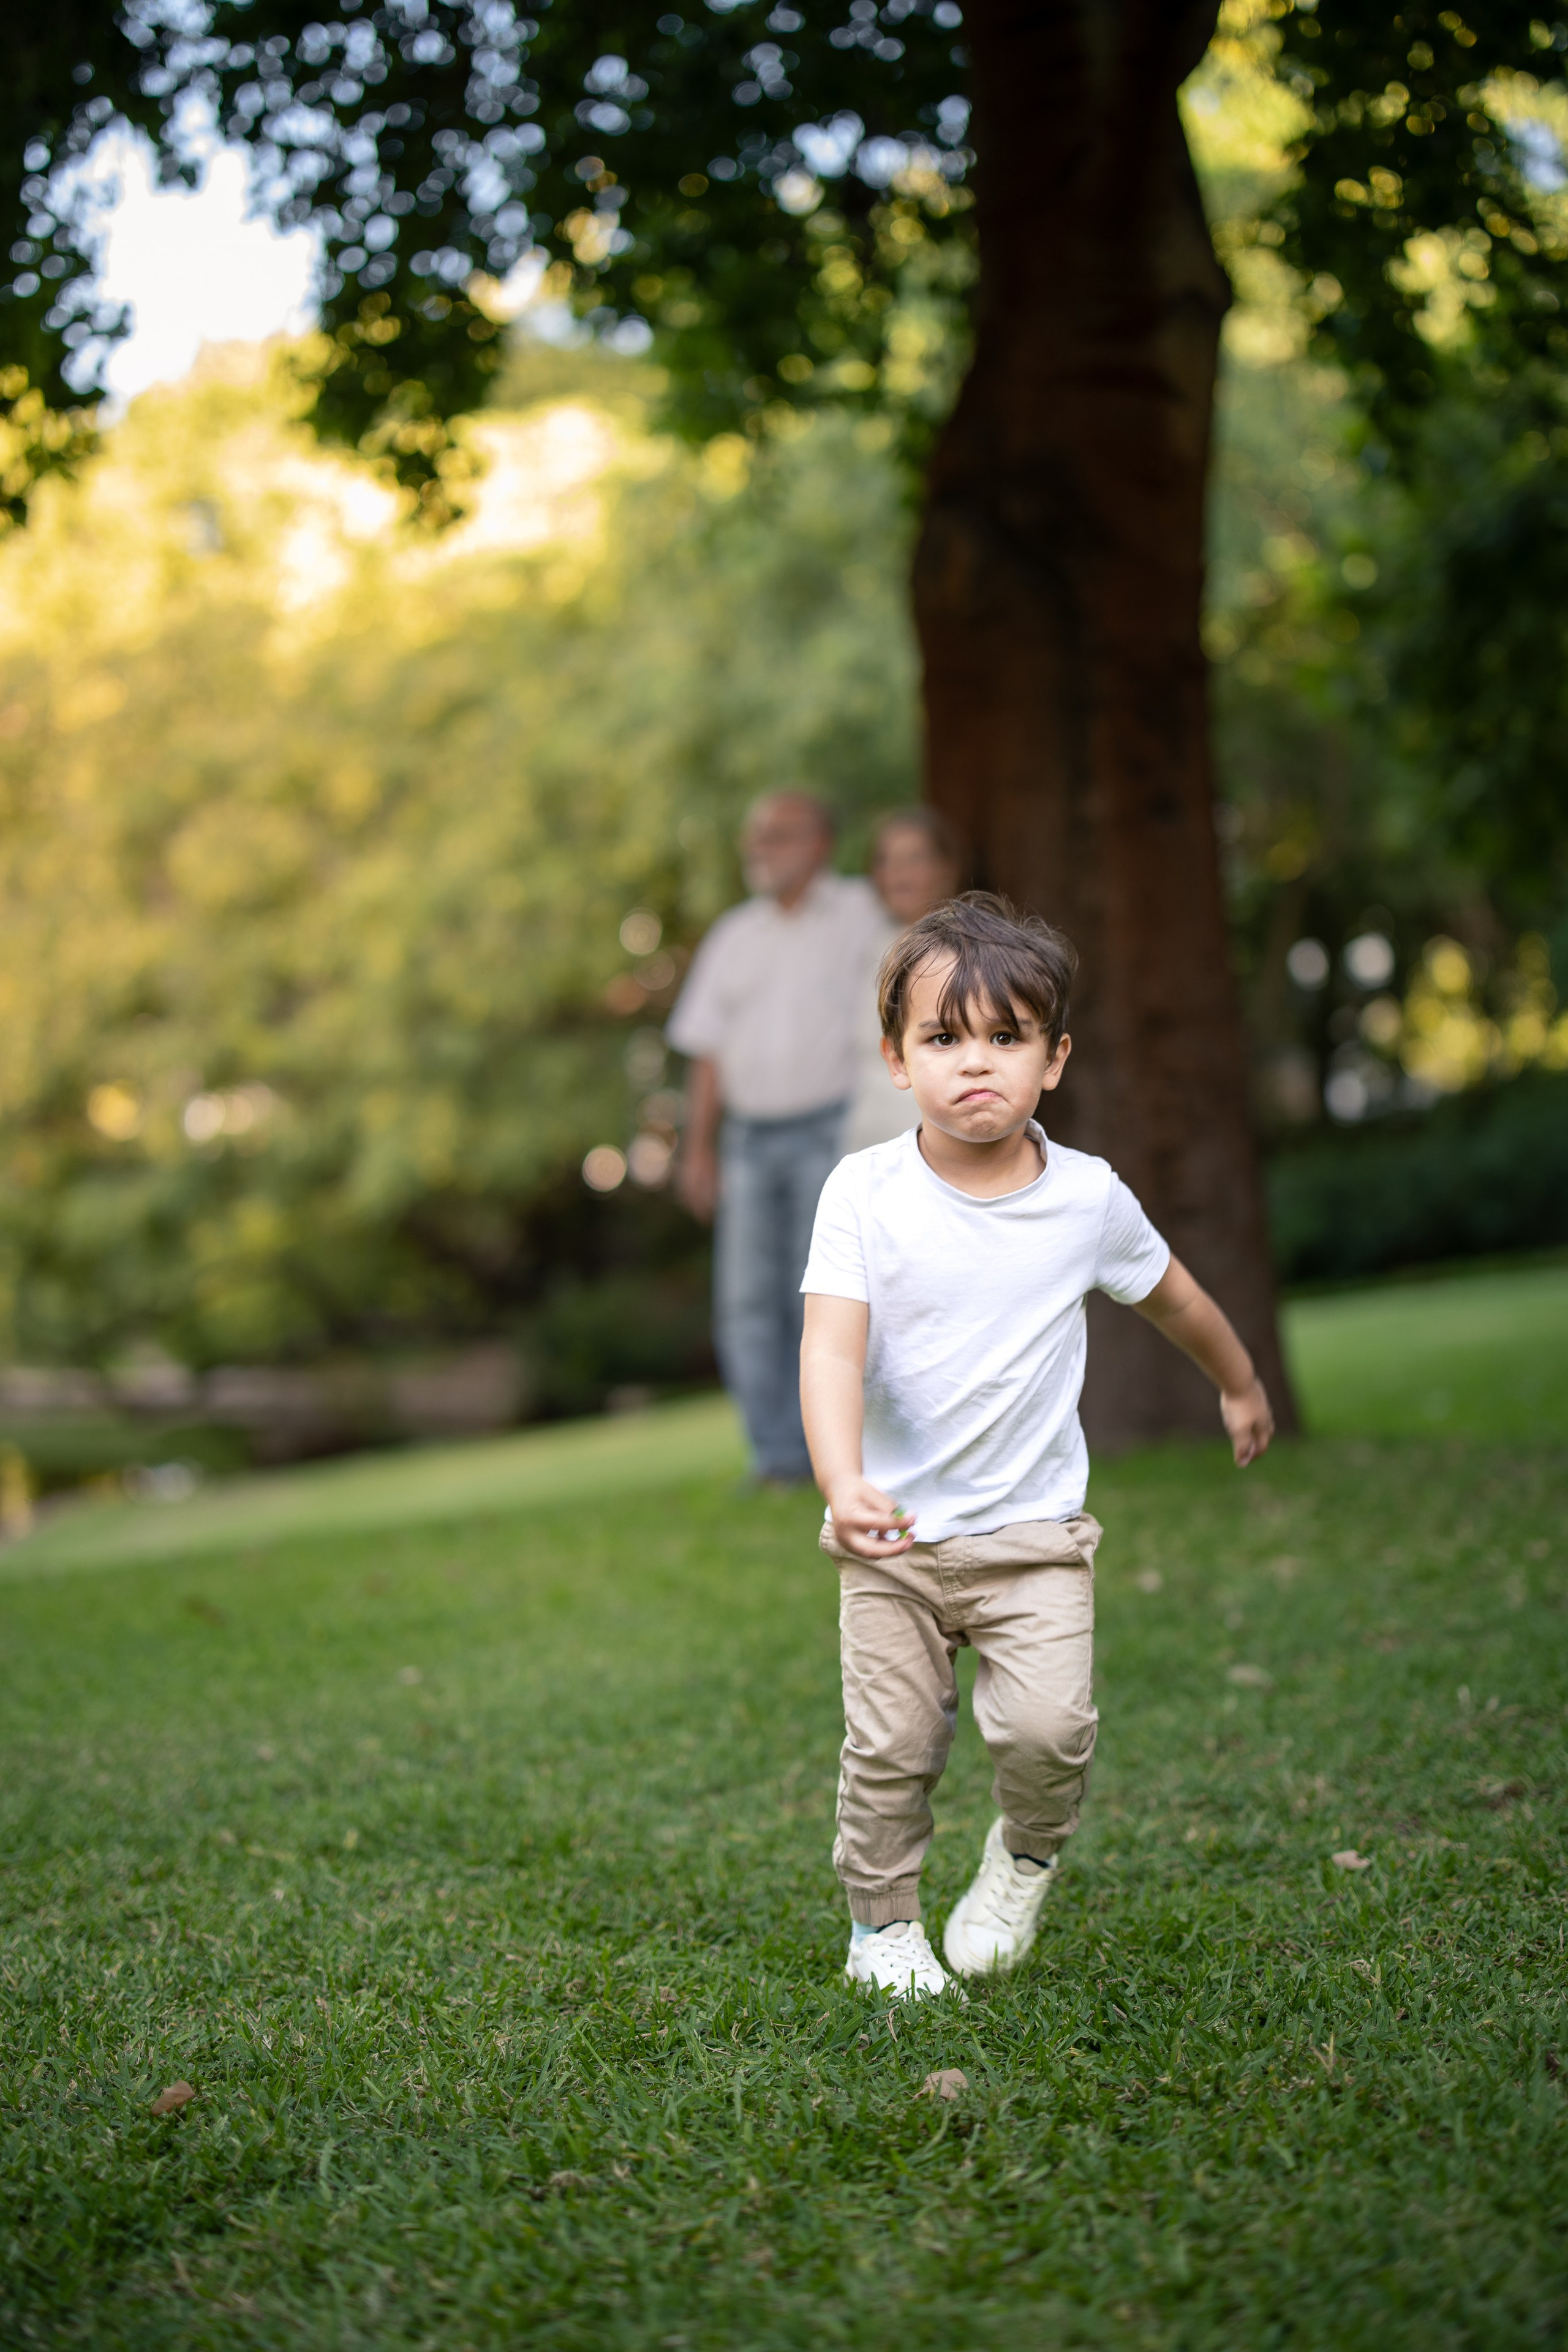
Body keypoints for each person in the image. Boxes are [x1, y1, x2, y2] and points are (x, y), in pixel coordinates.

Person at [799, 892, 1275, 1999]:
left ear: (1053, 1060)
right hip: (894, 1541)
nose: (977, 1064)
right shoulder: (863, 1194)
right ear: (896, 1058)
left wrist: (1242, 1384)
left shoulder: (1087, 1200)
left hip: (1033, 1536)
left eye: (1007, 1038)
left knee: (1050, 1734)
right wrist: (843, 1478)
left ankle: (1024, 1855)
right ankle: (883, 1930)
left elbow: (1178, 1300)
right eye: (944, 1038)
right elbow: (829, 1351)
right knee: (890, 1747)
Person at [668, 791, 886, 1485]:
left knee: (821, 1299)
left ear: (820, 842)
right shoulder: (734, 935)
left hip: (831, 1130)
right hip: (749, 1142)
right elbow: (706, 1052)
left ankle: (834, 1454)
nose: (761, 849)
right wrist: (697, 1150)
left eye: (779, 835)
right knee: (744, 1303)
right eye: (755, 837)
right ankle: (775, 1459)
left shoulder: (861, 912)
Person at [842, 809, 963, 1155]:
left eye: (914, 858)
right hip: (868, 1122)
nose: (898, 873)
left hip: (936, 1122)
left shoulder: (967, 945)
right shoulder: (873, 940)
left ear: (946, 867)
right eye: (886, 861)